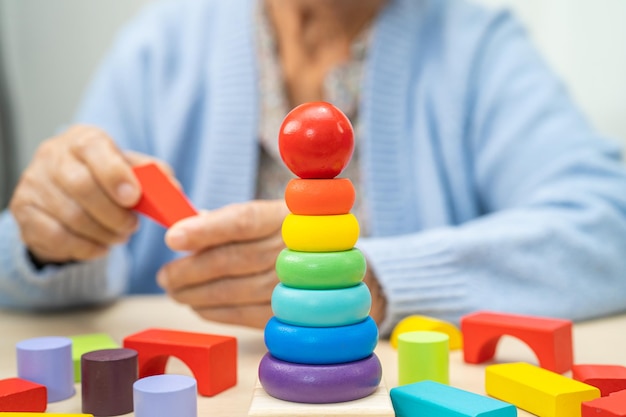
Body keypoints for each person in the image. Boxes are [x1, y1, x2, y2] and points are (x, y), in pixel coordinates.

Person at [2, 0, 626, 337]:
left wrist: (375, 278)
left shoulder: (479, 47)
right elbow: (21, 262)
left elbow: (608, 225)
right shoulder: (160, 44)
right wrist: (51, 244)